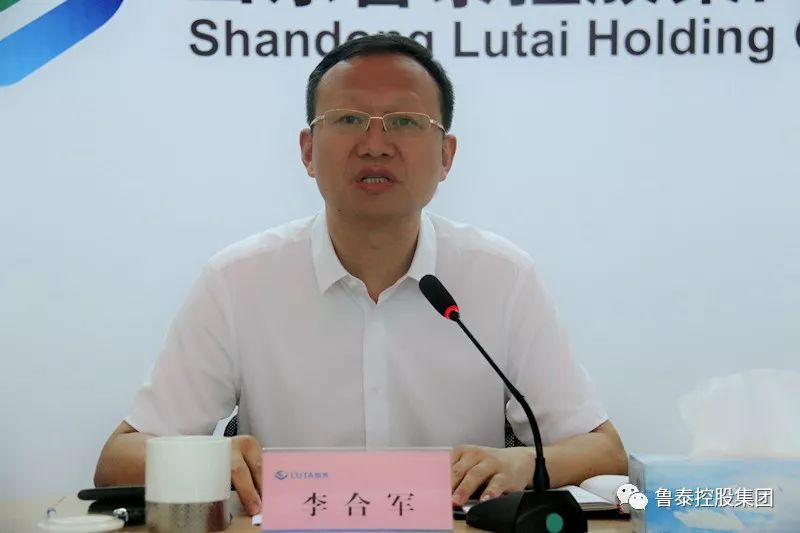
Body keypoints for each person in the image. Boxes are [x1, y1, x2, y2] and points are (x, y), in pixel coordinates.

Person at [94, 34, 627, 516]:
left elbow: (604, 451)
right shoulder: (239, 281)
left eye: (406, 121)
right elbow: (118, 460)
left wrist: (525, 464)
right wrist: (210, 460)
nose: (375, 143)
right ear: (307, 151)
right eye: (348, 119)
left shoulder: (501, 277)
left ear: (446, 155)